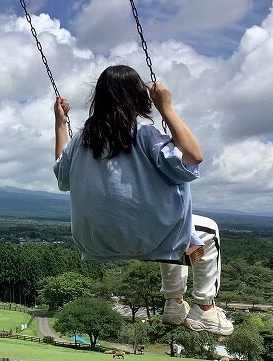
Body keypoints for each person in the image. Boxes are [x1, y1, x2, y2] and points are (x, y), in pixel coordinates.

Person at [52, 64, 233, 336]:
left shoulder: (80, 141)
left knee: (172, 230)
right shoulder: (146, 134)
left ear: (97, 99)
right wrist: (166, 109)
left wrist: (60, 123)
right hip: (152, 237)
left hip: (94, 241)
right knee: (204, 232)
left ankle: (174, 302)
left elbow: (62, 177)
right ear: (139, 97)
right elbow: (194, 157)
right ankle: (205, 308)